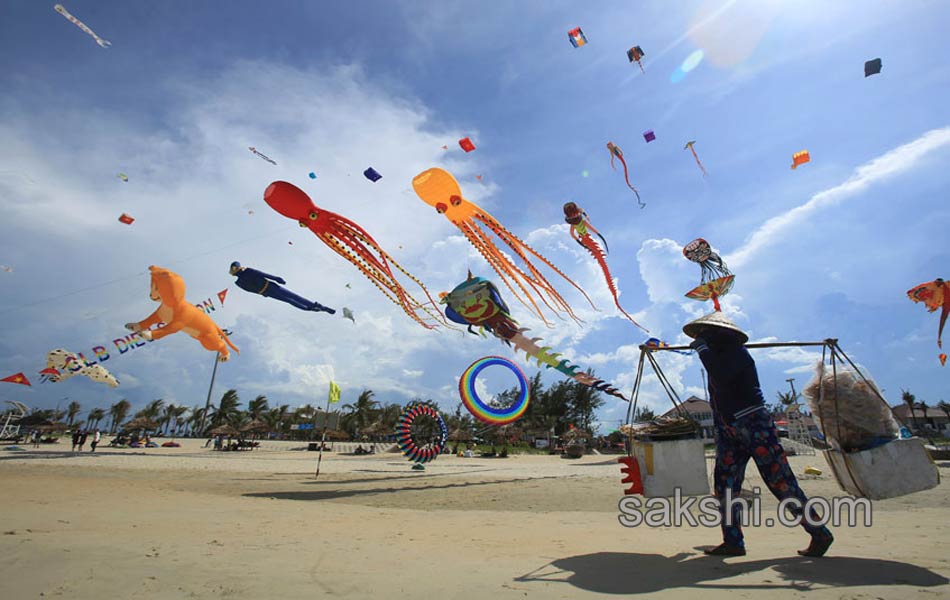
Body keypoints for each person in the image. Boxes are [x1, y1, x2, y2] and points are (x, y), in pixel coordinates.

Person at [684, 311, 833, 558]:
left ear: (722, 335)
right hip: (728, 427)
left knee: (781, 482)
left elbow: (722, 375)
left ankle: (819, 533)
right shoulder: (717, 355)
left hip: (754, 424)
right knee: (725, 487)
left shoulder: (737, 354)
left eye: (706, 335)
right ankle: (733, 541)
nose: (702, 339)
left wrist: (702, 350)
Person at [229, 262, 335, 314]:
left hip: (266, 291)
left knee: (288, 300)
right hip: (270, 286)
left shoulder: (238, 283)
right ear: (239, 267)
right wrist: (276, 278)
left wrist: (262, 293)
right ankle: (316, 306)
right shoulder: (247, 271)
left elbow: (250, 290)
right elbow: (262, 274)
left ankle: (310, 309)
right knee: (293, 296)